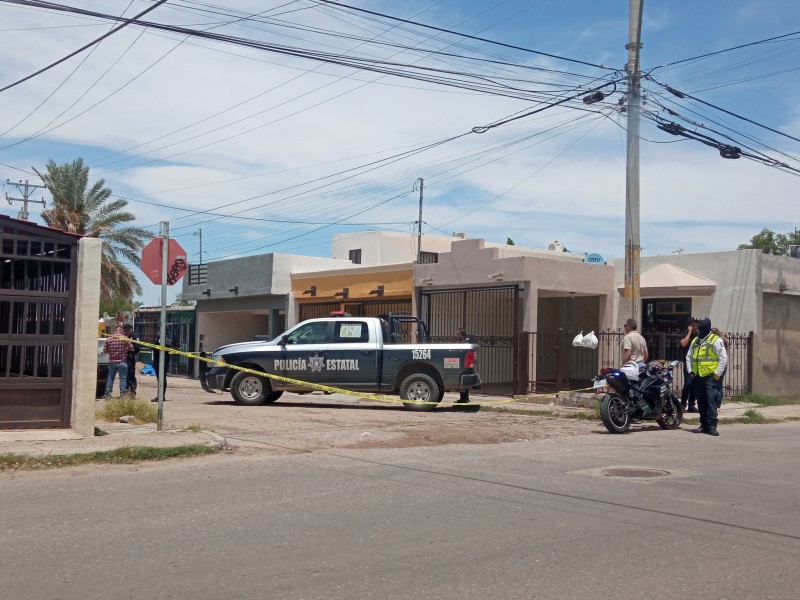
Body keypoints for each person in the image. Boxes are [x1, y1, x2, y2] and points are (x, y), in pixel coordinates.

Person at [686, 317, 728, 437]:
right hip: (698, 376)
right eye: (699, 326)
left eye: (702, 326)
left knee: (711, 401)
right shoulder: (696, 341)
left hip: (710, 376)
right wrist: (690, 371)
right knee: (701, 401)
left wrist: (717, 374)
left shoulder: (716, 340)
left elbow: (723, 358)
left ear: (707, 327)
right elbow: (689, 356)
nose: (699, 328)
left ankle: (712, 426)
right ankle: (703, 425)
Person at [102, 325, 133, 399]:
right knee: (123, 379)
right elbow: (132, 348)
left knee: (110, 378)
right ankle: (122, 394)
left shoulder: (109, 339)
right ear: (122, 331)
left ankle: (108, 394)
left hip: (112, 361)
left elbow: (104, 350)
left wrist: (111, 351)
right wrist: (125, 349)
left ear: (114, 331)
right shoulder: (125, 338)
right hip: (122, 361)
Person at [679, 317, 700, 412]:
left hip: (698, 363)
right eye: (693, 324)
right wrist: (689, 333)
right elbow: (683, 344)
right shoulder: (684, 334)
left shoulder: (699, 335)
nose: (695, 326)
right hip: (688, 362)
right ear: (689, 326)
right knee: (688, 383)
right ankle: (683, 404)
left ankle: (691, 405)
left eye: (696, 324)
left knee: (695, 384)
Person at [151, 337, 176, 402]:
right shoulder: (162, 336)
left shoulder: (166, 337)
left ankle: (161, 396)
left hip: (162, 360)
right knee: (160, 378)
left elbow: (167, 347)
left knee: (161, 378)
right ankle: (161, 396)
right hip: (160, 359)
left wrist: (155, 348)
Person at [455, 328, 474, 404]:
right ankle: (463, 398)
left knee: (464, 382)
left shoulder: (467, 339)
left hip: (466, 363)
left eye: (458, 334)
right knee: (462, 382)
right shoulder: (462, 340)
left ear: (461, 334)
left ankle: (465, 398)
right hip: (463, 363)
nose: (457, 336)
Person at [122, 323, 140, 397]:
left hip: (131, 357)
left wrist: (132, 353)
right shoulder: (124, 336)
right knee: (124, 375)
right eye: (125, 331)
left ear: (130, 330)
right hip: (124, 357)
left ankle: (132, 390)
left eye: (127, 331)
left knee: (131, 374)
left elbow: (138, 347)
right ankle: (125, 390)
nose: (126, 332)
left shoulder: (134, 336)